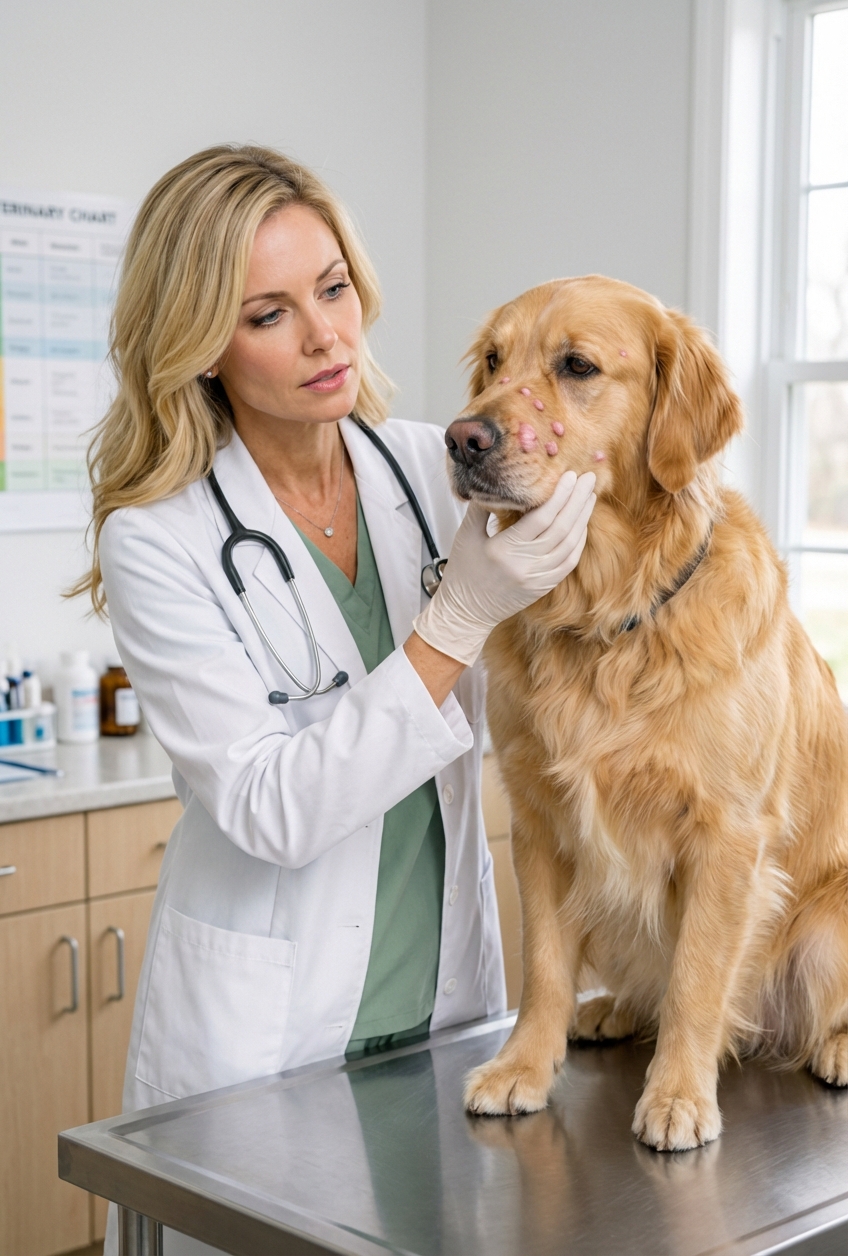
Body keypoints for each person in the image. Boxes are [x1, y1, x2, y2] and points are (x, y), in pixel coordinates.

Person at [78, 144, 595, 1254]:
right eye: (266, 313)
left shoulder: (431, 466)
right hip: (264, 1049)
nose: (325, 336)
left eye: (332, 287)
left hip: (442, 1020)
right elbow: (273, 807)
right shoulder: (156, 541)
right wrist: (455, 621)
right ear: (200, 345)